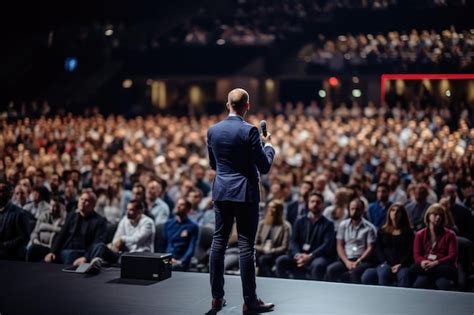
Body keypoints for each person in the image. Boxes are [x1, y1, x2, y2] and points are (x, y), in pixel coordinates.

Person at [207, 88, 275, 313]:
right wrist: (269, 146)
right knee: (246, 246)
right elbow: (264, 166)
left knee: (218, 243)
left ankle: (217, 298)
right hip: (245, 193)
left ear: (228, 105)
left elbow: (213, 165)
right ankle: (250, 301)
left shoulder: (213, 130)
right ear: (247, 106)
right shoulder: (251, 131)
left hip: (222, 191)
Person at [275, 192, 334, 280]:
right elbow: (293, 241)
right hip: (299, 254)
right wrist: (298, 254)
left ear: (323, 205)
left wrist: (310, 256)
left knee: (318, 265)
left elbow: (326, 245)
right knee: (281, 261)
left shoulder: (328, 224)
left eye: (318, 202)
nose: (315, 204)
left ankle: (314, 292)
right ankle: (285, 288)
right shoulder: (300, 220)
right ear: (308, 203)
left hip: (316, 256)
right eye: (312, 201)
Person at [44, 190, 107, 266]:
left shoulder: (99, 221)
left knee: (70, 255)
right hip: (65, 250)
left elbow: (97, 242)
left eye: (86, 200)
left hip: (82, 252)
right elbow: (61, 235)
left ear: (93, 204)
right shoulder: (71, 216)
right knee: (35, 249)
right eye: (81, 199)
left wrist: (85, 257)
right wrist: (52, 252)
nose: (82, 202)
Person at [361, 203, 414, 287]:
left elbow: (410, 251)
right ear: (389, 213)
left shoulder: (409, 232)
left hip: (403, 265)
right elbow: (378, 250)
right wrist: (385, 263)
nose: (395, 213)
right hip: (385, 263)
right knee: (379, 274)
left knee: (403, 276)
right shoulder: (382, 231)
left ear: (402, 214)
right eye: (393, 210)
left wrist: (401, 264)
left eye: (398, 211)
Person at [89, 199, 155, 264]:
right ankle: (93, 264)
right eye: (127, 209)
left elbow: (137, 239)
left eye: (131, 210)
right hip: (124, 254)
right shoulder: (125, 219)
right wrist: (115, 244)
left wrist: (122, 239)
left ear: (140, 211)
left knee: (122, 260)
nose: (127, 212)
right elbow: (116, 237)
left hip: (141, 256)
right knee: (101, 246)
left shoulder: (148, 222)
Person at [326, 198, 376, 283]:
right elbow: (339, 245)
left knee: (355, 272)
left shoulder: (369, 228)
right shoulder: (343, 225)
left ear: (363, 210)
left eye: (357, 209)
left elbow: (370, 247)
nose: (354, 211)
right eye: (352, 209)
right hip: (346, 258)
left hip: (363, 260)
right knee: (331, 269)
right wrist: (346, 262)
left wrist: (359, 261)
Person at [410, 204, 458, 290]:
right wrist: (423, 262)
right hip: (426, 265)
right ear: (428, 216)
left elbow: (452, 256)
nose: (438, 217)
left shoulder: (450, 234)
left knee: (444, 285)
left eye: (440, 215)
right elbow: (416, 255)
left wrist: (436, 262)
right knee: (418, 284)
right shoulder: (419, 234)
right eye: (435, 214)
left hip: (442, 266)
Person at [160, 198, 198, 271]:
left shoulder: (193, 226)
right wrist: (164, 258)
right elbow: (163, 245)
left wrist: (181, 261)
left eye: (182, 205)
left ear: (188, 210)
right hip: (167, 258)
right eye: (177, 204)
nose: (178, 206)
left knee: (174, 268)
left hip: (181, 260)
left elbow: (191, 248)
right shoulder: (168, 224)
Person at [255, 200, 292, 277]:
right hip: (262, 250)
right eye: (269, 207)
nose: (270, 210)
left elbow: (285, 247)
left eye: (273, 208)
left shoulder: (285, 226)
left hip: (277, 253)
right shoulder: (262, 224)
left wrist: (272, 251)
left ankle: (270, 278)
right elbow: (255, 242)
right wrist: (262, 249)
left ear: (279, 210)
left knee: (263, 259)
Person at [26, 197, 66, 262]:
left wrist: (44, 226)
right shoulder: (44, 215)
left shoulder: (63, 219)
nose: (52, 208)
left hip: (52, 248)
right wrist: (35, 239)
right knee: (32, 248)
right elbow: (35, 232)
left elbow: (62, 231)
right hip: (39, 243)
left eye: (55, 206)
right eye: (51, 205)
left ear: (60, 207)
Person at [0, 180, 30, 260]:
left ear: (10, 194)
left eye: (2, 191)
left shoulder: (19, 213)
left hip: (12, 257)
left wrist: (4, 245)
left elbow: (24, 237)